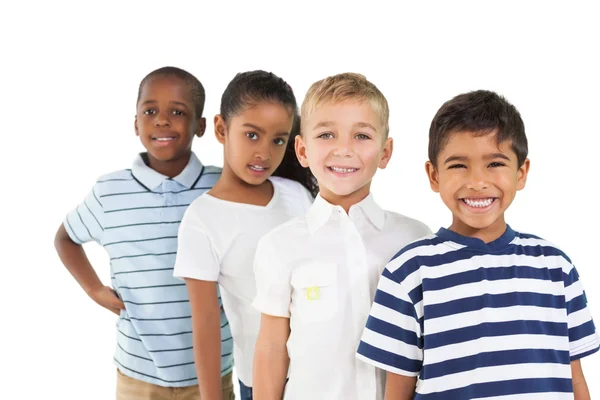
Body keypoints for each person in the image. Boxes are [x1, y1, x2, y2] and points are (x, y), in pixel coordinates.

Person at [357, 90, 599, 399]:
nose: (477, 181)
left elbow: (575, 379)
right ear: (434, 175)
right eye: (459, 165)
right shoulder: (409, 273)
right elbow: (397, 392)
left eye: (495, 163)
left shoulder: (555, 267)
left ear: (521, 172)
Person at [54, 66, 235, 399]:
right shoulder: (110, 192)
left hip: (212, 374)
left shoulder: (222, 186)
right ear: (136, 122)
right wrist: (94, 289)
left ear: (201, 126)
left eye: (177, 112)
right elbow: (65, 238)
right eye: (150, 111)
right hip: (137, 374)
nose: (162, 121)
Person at [252, 72, 430, 399]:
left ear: (385, 151)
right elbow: (272, 350)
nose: (344, 149)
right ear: (302, 151)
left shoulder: (414, 239)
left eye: (361, 136)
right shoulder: (279, 246)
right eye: (327, 134)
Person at [173, 70, 317, 400]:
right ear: (222, 129)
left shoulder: (296, 195)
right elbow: (207, 329)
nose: (264, 153)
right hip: (262, 381)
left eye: (278, 140)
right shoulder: (202, 219)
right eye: (252, 135)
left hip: (318, 373)